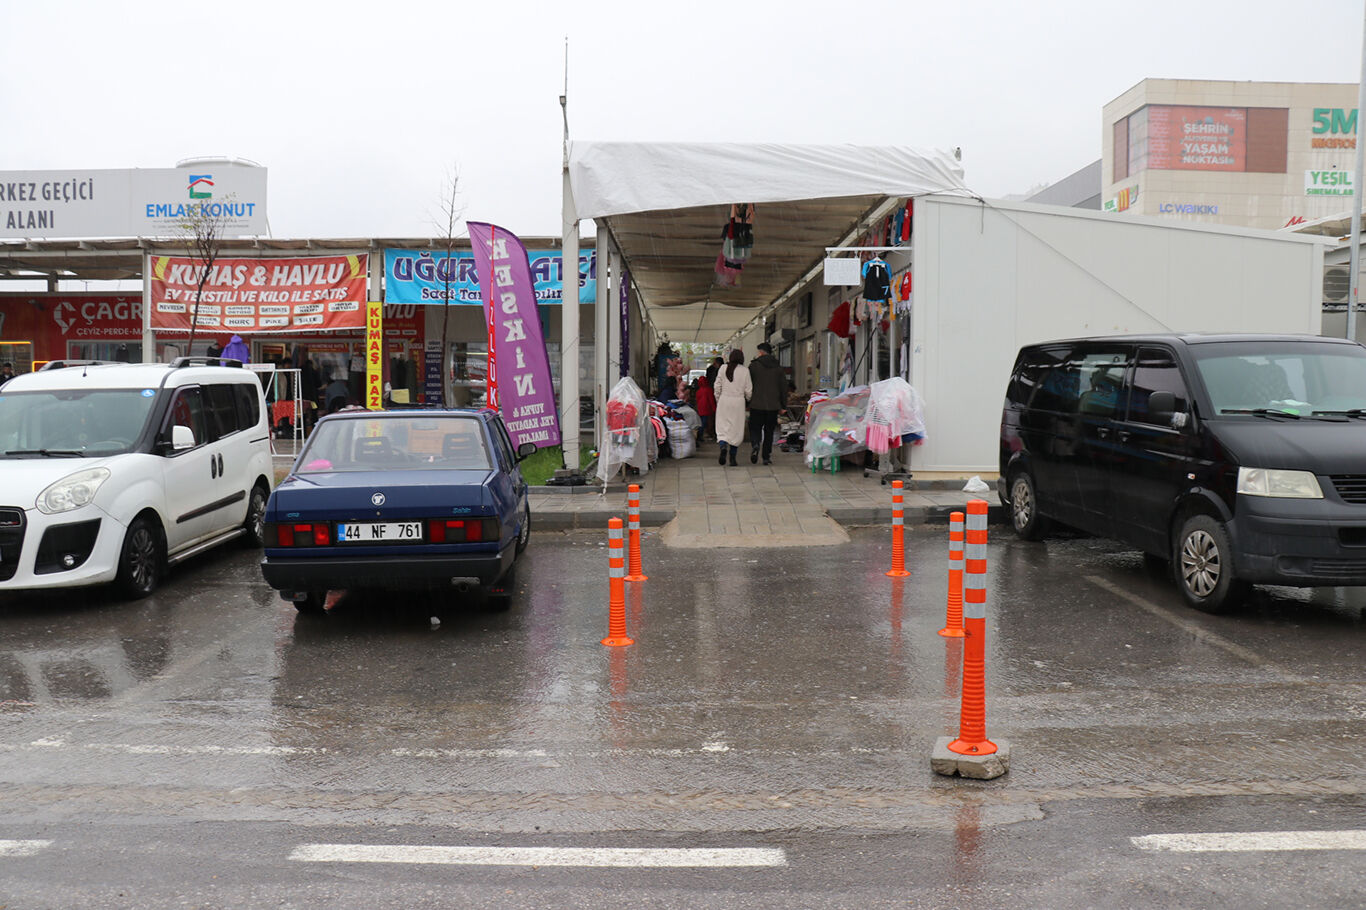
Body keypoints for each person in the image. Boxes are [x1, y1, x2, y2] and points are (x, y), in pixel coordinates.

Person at [747, 342, 785, 465]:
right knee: (769, 431)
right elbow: (783, 388)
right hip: (773, 405)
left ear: (761, 352)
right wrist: (783, 405)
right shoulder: (778, 367)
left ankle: (755, 444)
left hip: (756, 404)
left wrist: (747, 402)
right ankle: (766, 457)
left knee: (755, 428)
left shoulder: (753, 366)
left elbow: (748, 385)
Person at [712, 349, 751, 467]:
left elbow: (717, 386)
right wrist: (747, 400)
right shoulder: (745, 371)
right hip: (738, 402)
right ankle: (733, 458)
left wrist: (719, 399)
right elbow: (749, 390)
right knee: (736, 429)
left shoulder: (723, 368)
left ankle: (723, 446)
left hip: (724, 400)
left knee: (722, 427)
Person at [694, 372, 717, 443]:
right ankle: (705, 435)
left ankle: (699, 435)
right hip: (708, 409)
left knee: (701, 423)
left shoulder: (698, 391)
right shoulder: (709, 390)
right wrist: (715, 409)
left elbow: (697, 400)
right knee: (708, 423)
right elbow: (711, 400)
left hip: (700, 409)